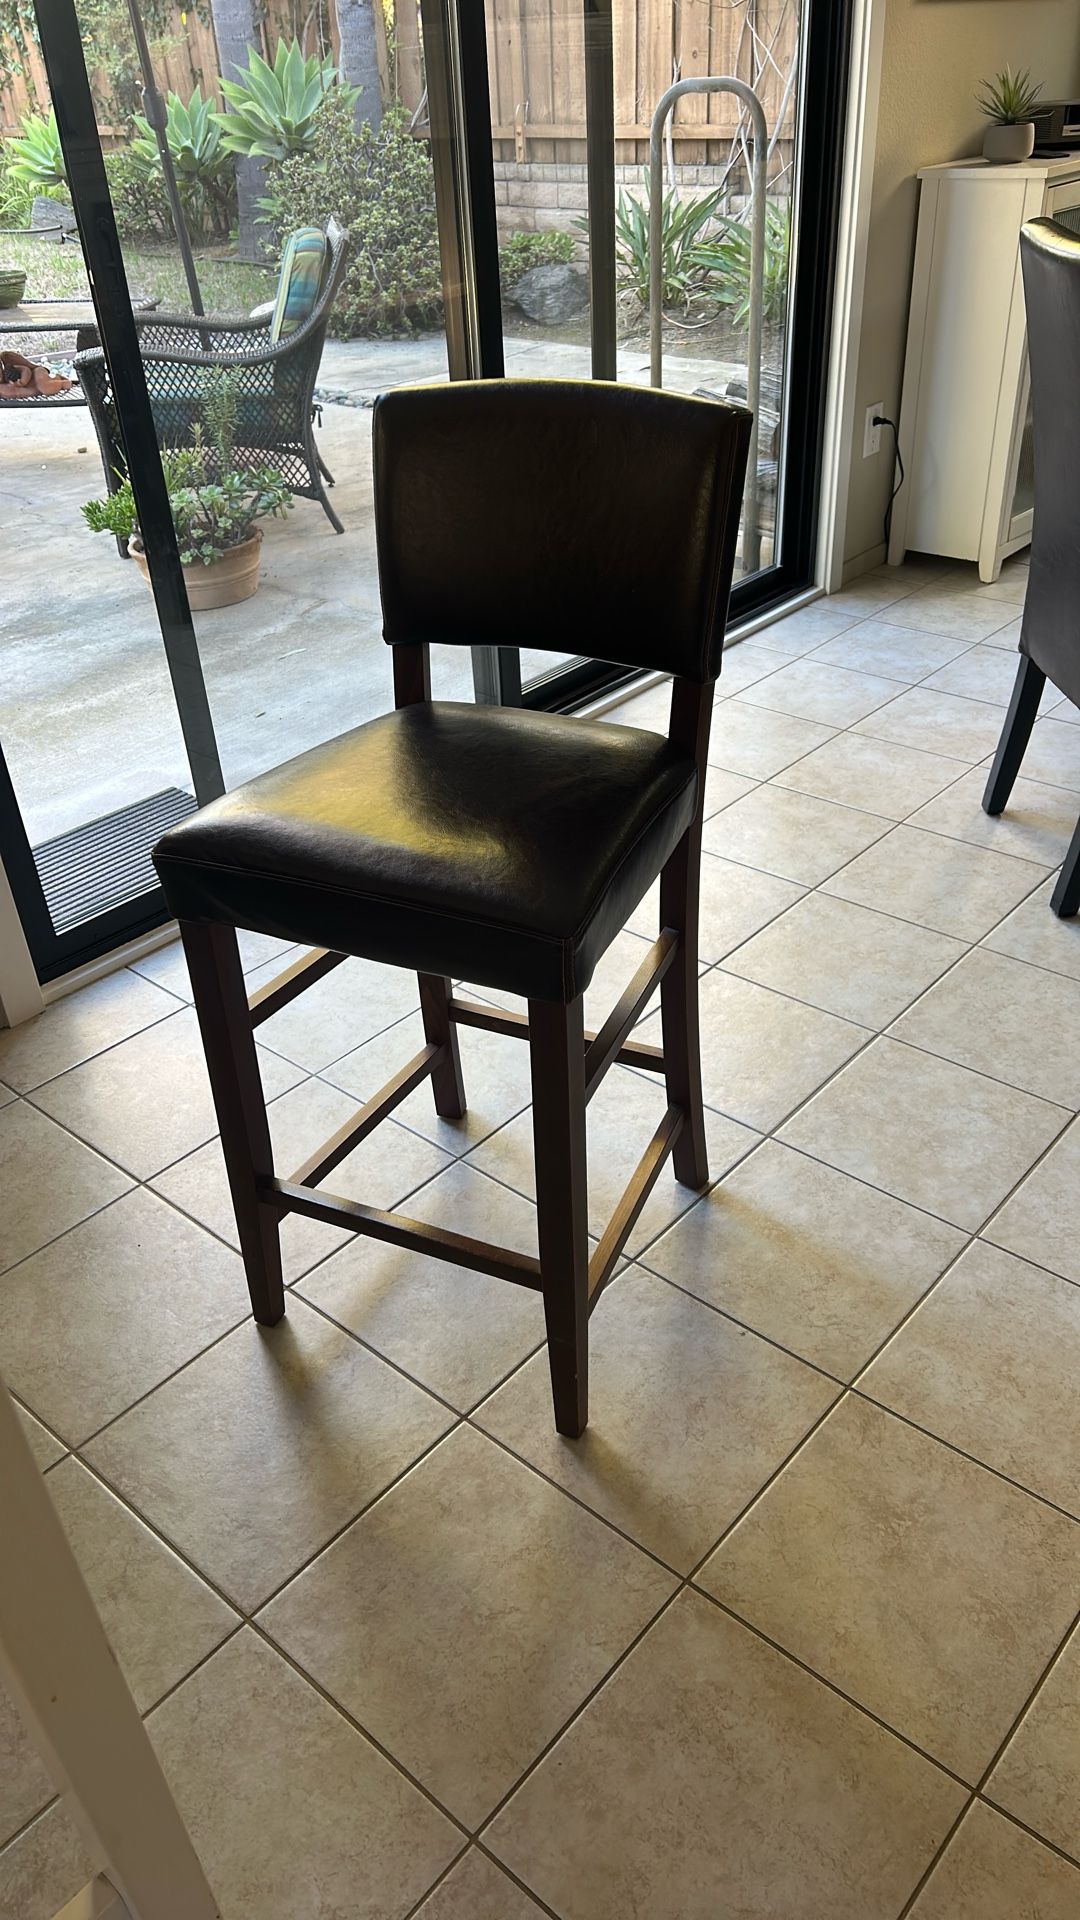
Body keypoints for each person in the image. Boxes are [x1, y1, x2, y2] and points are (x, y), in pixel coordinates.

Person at [0, 348, 72, 399]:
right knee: (44, 389)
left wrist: (22, 382)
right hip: (35, 389)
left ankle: (61, 381)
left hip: (36, 375)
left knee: (46, 388)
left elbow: (26, 370)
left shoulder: (10, 369)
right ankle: (55, 380)